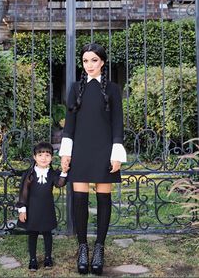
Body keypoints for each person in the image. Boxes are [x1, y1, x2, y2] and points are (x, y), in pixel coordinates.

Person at [59, 43, 127, 275]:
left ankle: (99, 248)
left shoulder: (113, 90)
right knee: (79, 200)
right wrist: (66, 153)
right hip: (81, 151)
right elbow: (69, 125)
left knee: (103, 199)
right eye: (86, 61)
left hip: (105, 151)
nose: (89, 65)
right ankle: (82, 248)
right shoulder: (75, 88)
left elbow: (118, 123)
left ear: (102, 62)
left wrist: (116, 153)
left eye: (94, 60)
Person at [16, 141, 68, 271]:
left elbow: (60, 184)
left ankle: (48, 258)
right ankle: (32, 259)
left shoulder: (52, 173)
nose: (43, 158)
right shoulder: (29, 174)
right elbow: (23, 192)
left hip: (47, 208)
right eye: (40, 155)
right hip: (32, 208)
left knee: (47, 233)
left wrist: (64, 172)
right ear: (34, 157)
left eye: (47, 155)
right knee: (32, 233)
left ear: (51, 158)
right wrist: (22, 209)